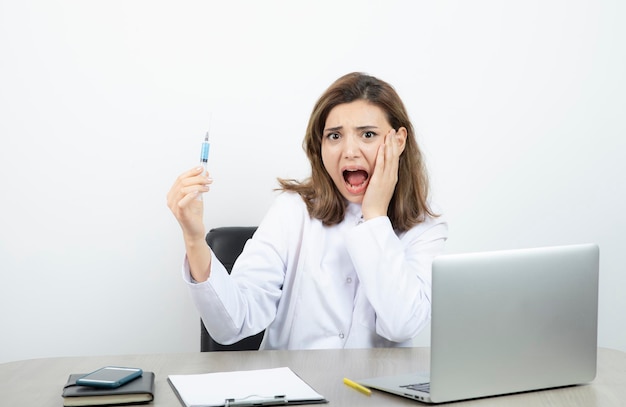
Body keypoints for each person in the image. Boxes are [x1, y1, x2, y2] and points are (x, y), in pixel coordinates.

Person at [167, 72, 448, 350]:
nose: (349, 151)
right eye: (335, 136)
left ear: (398, 141)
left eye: (368, 134)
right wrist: (194, 238)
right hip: (294, 390)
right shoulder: (292, 211)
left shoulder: (425, 226)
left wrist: (375, 216)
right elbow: (232, 324)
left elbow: (402, 324)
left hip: (375, 392)